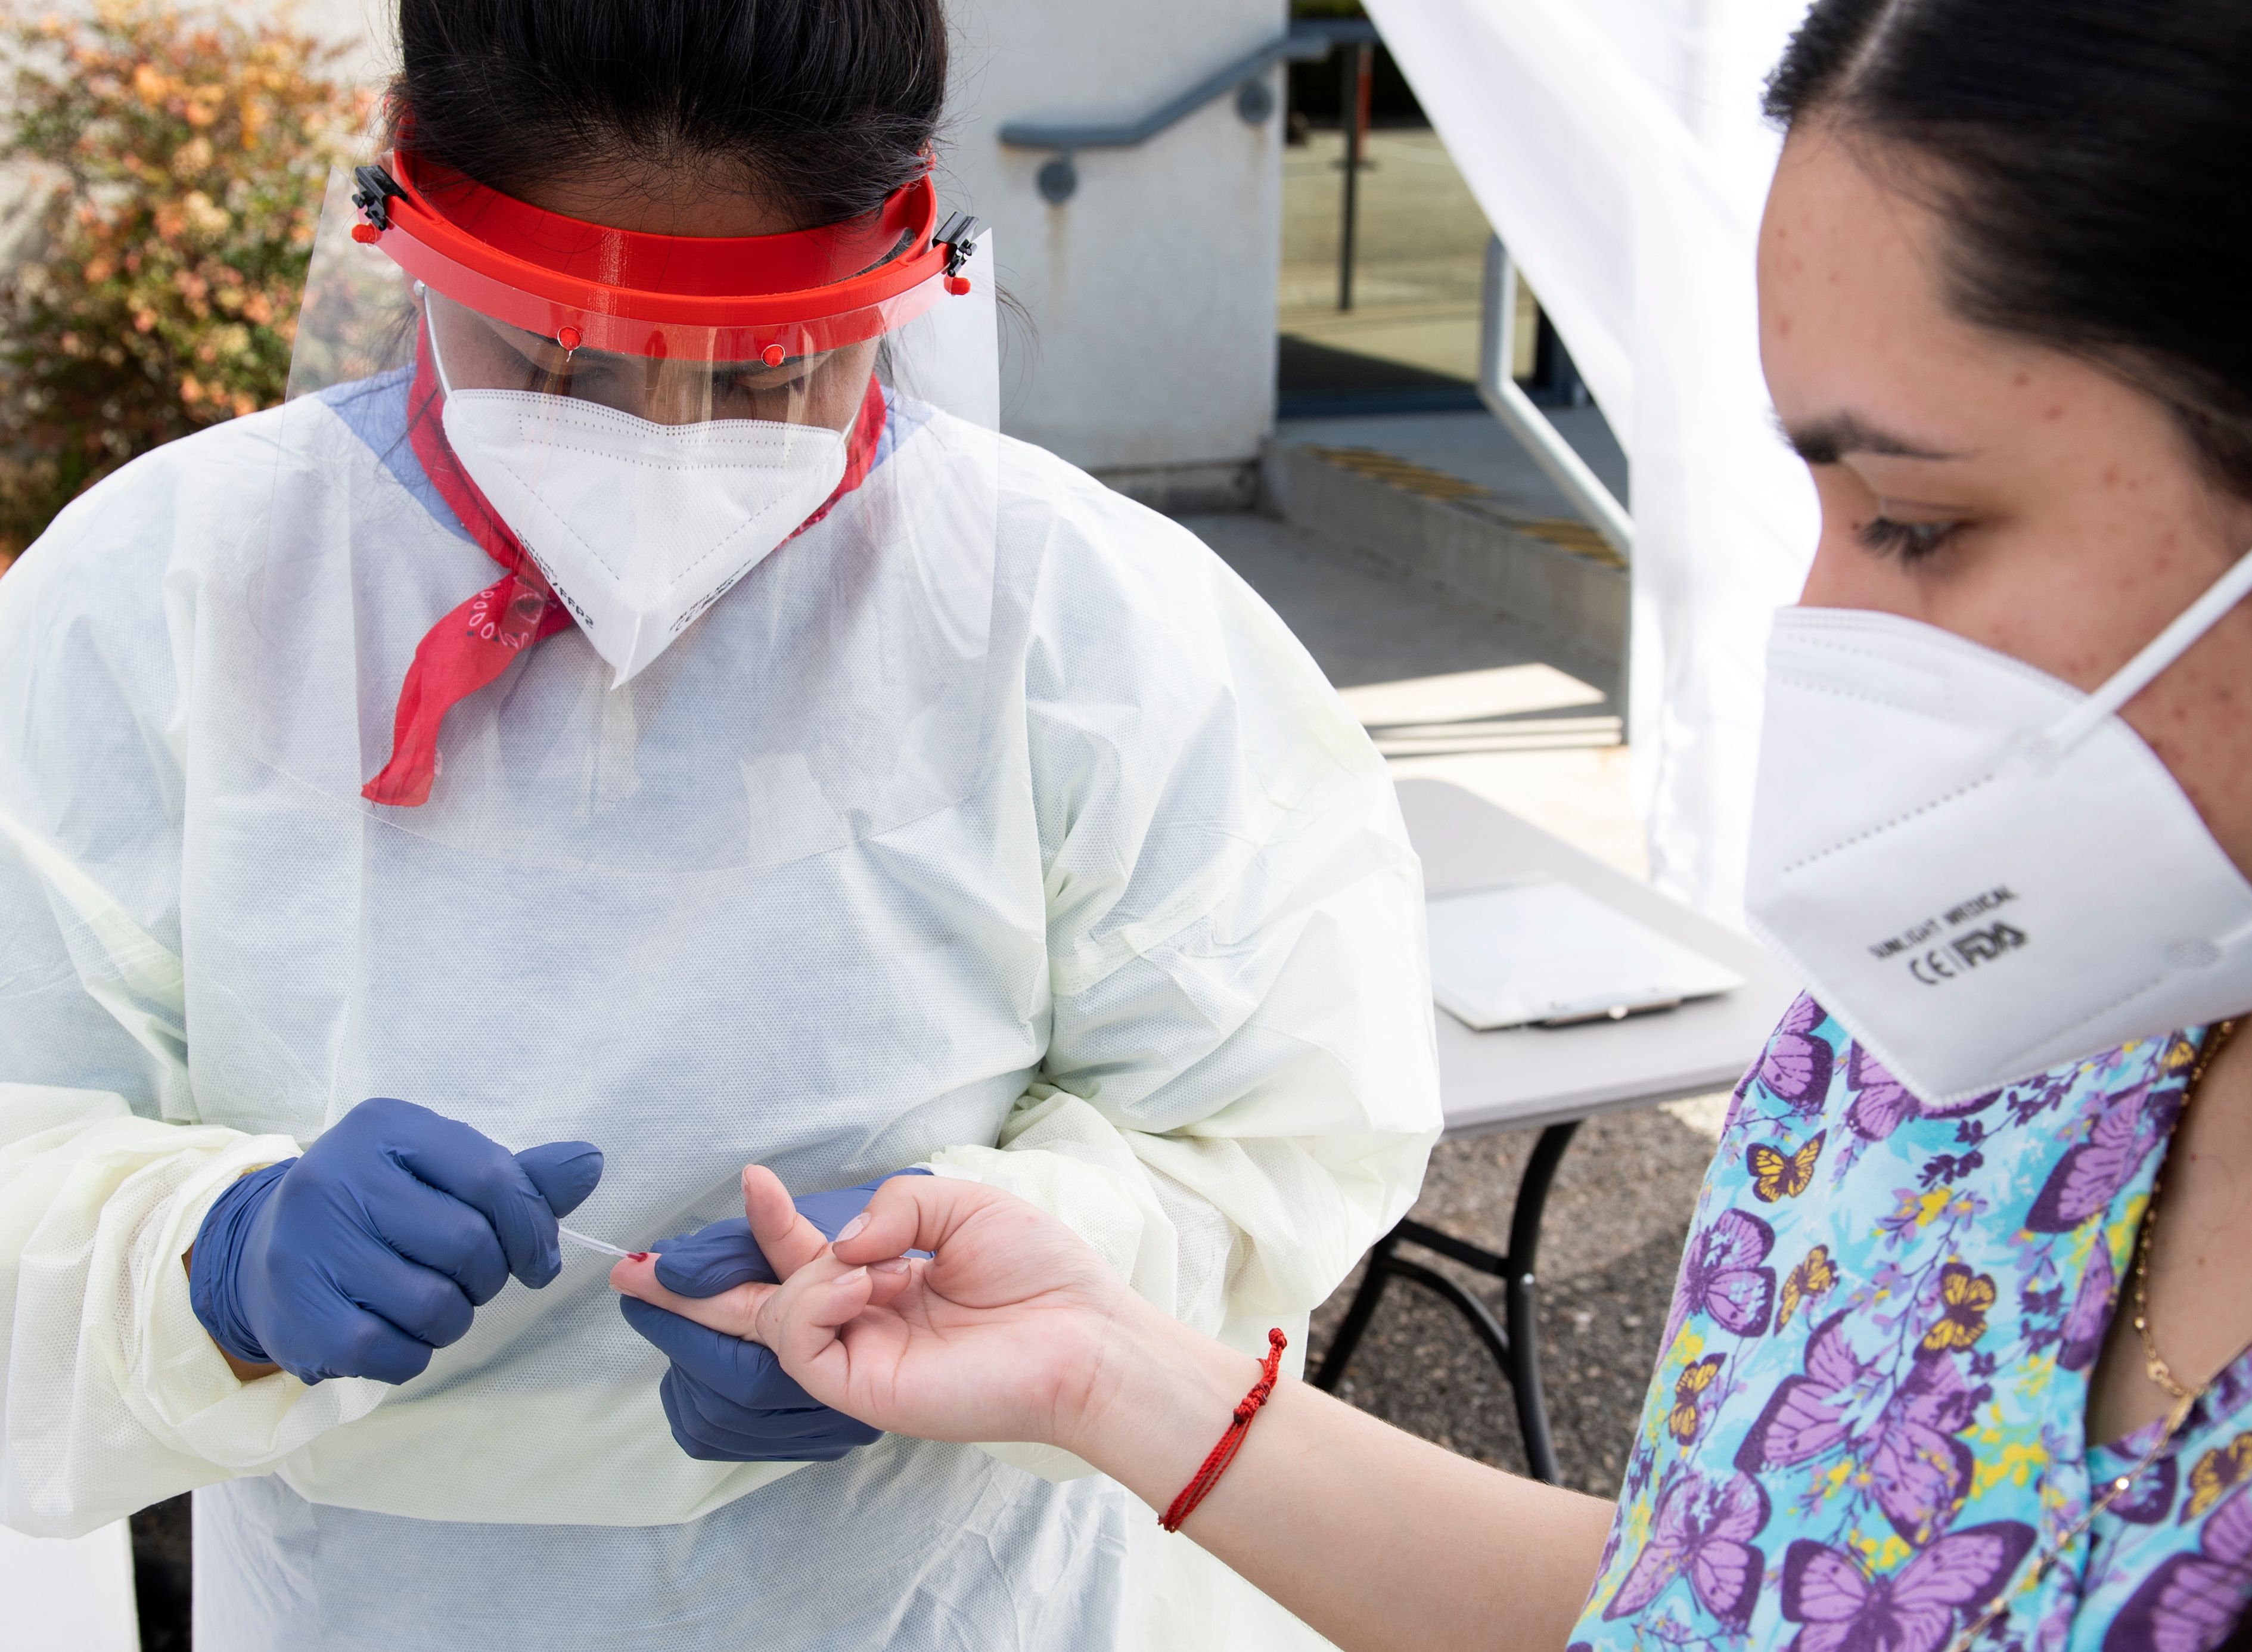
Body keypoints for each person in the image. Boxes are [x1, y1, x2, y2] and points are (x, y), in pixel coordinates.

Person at [617, 3, 2252, 1650]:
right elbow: (1718, 1586)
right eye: (1807, 493)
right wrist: (1107, 1369)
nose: (1824, 631)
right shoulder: (1953, 1052)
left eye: (1918, 520)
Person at [0, 2, 1438, 1648]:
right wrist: (214, 1261)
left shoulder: (1079, 622)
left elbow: (1274, 1130)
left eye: (772, 367)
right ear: (410, 206)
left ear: (899, 252)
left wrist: (1014, 1268)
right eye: (558, 360)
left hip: (938, 1598)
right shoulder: (167, 597)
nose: (663, 446)